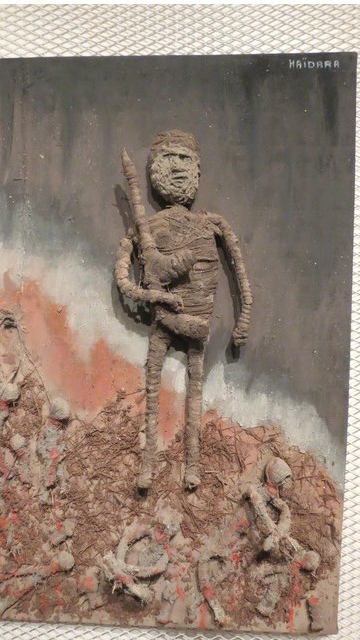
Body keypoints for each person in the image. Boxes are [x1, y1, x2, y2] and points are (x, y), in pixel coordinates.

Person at [114, 130, 252, 491]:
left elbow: (240, 273)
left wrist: (244, 315)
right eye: (168, 158)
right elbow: (123, 279)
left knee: (195, 386)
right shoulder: (145, 229)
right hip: (164, 319)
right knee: (153, 387)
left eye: (184, 159)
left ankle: (193, 464)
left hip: (197, 320)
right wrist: (151, 295)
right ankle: (148, 463)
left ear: (197, 170)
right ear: (153, 170)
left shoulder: (212, 224)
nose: (177, 167)